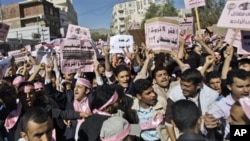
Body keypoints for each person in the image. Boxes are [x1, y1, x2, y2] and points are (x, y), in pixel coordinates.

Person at [165, 68, 218, 141]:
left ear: (198, 86)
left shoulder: (212, 96)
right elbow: (168, 120)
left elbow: (211, 121)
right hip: (181, 134)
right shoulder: (175, 93)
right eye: (181, 84)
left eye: (187, 86)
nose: (183, 88)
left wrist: (207, 124)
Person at [205, 69, 250, 140]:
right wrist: (207, 123)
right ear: (229, 87)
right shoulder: (221, 105)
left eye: (248, 86)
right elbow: (206, 123)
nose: (246, 90)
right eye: (240, 87)